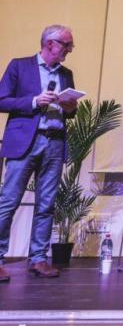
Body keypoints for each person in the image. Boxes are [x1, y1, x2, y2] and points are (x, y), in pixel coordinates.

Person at [0, 25, 78, 280]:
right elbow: (2, 100)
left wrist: (69, 106)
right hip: (25, 141)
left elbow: (72, 112)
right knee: (8, 201)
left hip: (54, 142)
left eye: (70, 46)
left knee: (46, 205)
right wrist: (34, 101)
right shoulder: (20, 66)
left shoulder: (66, 74)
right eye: (66, 45)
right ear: (50, 43)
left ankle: (38, 259)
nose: (69, 50)